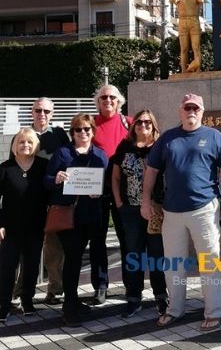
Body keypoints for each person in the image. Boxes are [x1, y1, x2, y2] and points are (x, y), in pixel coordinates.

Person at [141, 93, 221, 332]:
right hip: (171, 212)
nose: (191, 111)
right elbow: (152, 170)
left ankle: (214, 311)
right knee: (173, 264)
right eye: (187, 108)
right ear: (180, 111)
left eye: (195, 108)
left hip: (204, 209)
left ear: (202, 111)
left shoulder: (214, 136)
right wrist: (145, 201)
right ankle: (175, 309)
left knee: (209, 262)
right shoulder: (168, 138)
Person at [44, 113, 110, 327]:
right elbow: (45, 181)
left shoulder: (100, 154)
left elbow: (108, 184)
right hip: (69, 216)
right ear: (72, 133)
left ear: (93, 131)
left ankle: (75, 300)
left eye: (86, 129)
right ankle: (69, 305)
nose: (83, 133)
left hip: (93, 215)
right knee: (72, 259)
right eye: (78, 130)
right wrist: (57, 178)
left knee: (89, 256)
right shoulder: (63, 154)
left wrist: (100, 192)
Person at [112, 109, 168, 318]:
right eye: (139, 122)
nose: (143, 126)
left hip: (155, 210)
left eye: (147, 122)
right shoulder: (125, 147)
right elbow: (116, 177)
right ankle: (134, 298)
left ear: (153, 125)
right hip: (130, 210)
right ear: (133, 125)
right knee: (133, 254)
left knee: (156, 255)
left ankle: (161, 297)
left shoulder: (160, 147)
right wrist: (119, 202)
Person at [0, 128, 49, 323]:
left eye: (30, 142)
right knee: (7, 268)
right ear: (15, 145)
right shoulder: (5, 168)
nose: (26, 145)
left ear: (35, 145)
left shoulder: (43, 166)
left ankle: (27, 300)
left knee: (31, 267)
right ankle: (4, 304)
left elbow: (52, 191)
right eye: (22, 142)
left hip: (36, 227)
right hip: (11, 229)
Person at [18, 97, 71, 306]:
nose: (42, 115)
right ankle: (20, 291)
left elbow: (70, 160)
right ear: (32, 112)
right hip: (28, 200)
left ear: (53, 113)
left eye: (46, 111)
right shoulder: (23, 135)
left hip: (52, 200)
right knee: (26, 248)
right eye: (38, 110)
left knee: (54, 248)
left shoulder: (58, 135)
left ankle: (55, 289)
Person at [91, 84, 131, 305]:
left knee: (127, 239)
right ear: (98, 102)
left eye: (112, 97)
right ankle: (101, 285)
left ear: (119, 102)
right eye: (104, 97)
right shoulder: (90, 124)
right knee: (97, 239)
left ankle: (130, 284)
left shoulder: (130, 123)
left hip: (123, 191)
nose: (108, 100)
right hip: (95, 191)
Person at [169, 0, 207, 73]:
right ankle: (183, 70)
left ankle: (198, 69)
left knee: (196, 47)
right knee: (184, 48)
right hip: (182, 22)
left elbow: (201, 0)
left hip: (194, 21)